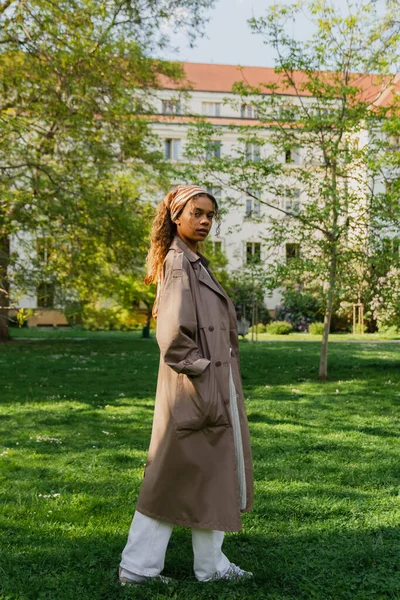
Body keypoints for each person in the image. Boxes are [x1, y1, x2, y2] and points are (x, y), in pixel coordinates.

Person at [118, 184, 254, 585]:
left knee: (207, 472)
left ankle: (207, 566)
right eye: (197, 213)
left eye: (210, 215)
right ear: (177, 215)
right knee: (170, 474)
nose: (205, 221)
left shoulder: (193, 260)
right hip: (195, 386)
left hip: (206, 382)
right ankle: (139, 568)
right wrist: (203, 372)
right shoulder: (179, 263)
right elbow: (174, 335)